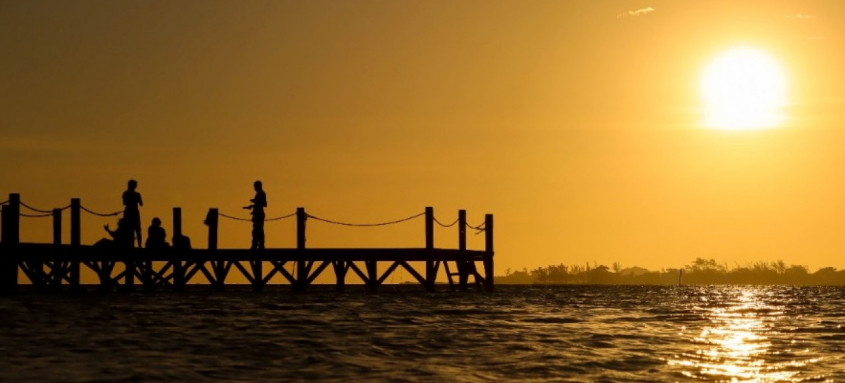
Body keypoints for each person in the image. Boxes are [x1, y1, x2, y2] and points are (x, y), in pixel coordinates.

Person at [243, 180, 267, 250]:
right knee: (256, 230)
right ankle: (256, 245)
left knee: (258, 230)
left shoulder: (262, 193)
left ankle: (259, 245)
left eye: (255, 186)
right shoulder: (259, 194)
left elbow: (264, 204)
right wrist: (251, 206)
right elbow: (258, 204)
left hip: (259, 214)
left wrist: (255, 202)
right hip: (257, 214)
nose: (254, 188)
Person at [122, 179, 143, 248]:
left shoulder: (125, 193)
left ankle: (131, 245)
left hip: (128, 212)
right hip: (134, 213)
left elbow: (124, 203)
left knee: (130, 230)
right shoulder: (137, 194)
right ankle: (139, 245)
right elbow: (141, 204)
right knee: (137, 230)